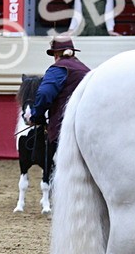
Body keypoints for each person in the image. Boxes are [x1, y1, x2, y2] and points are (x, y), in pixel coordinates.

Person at [30, 36, 91, 175]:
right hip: (86, 127)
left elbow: (44, 93)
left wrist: (37, 115)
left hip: (63, 128)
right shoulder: (85, 69)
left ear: (56, 54)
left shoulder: (58, 68)